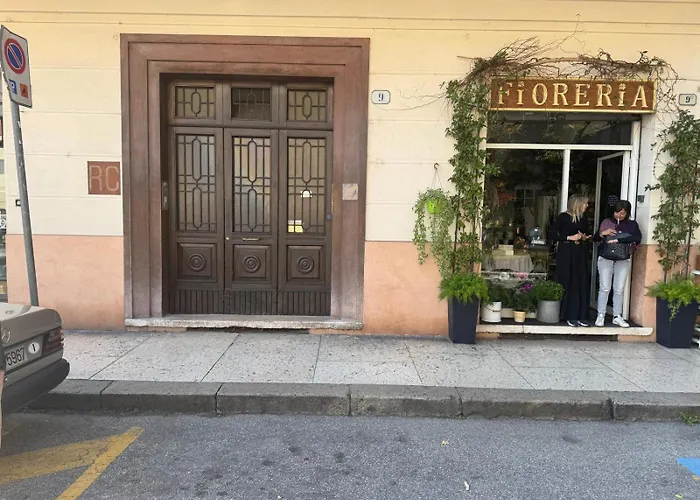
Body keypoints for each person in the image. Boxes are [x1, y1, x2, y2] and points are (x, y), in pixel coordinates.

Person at [593, 200, 642, 328]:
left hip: (623, 258)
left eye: (622, 213)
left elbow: (637, 238)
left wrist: (619, 240)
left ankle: (617, 316)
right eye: (617, 212)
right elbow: (595, 239)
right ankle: (601, 315)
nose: (619, 216)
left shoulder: (632, 225)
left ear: (627, 213)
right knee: (604, 287)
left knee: (619, 289)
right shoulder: (607, 222)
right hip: (606, 257)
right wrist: (603, 233)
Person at [548, 194, 592, 327]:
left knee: (581, 281)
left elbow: (585, 233)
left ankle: (581, 315)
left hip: (580, 252)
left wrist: (584, 237)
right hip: (567, 252)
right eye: (585, 203)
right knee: (569, 281)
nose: (587, 206)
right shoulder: (563, 217)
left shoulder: (583, 218)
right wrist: (568, 237)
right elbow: (552, 234)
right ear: (577, 204)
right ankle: (569, 314)